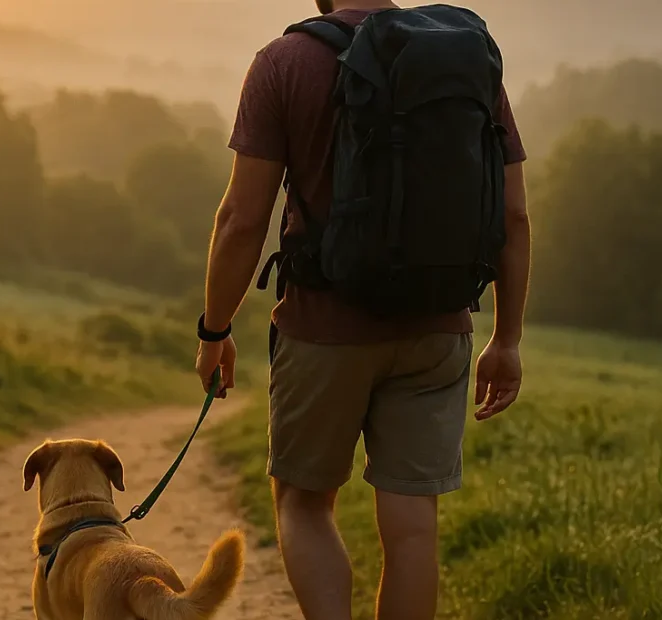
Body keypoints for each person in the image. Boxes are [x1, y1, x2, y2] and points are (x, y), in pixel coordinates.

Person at [195, 1, 531, 618]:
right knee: (413, 527)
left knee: (303, 503)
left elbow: (242, 220)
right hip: (439, 327)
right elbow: (513, 215)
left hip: (324, 327)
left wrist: (214, 329)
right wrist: (506, 339)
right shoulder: (461, 54)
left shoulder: (285, 62)